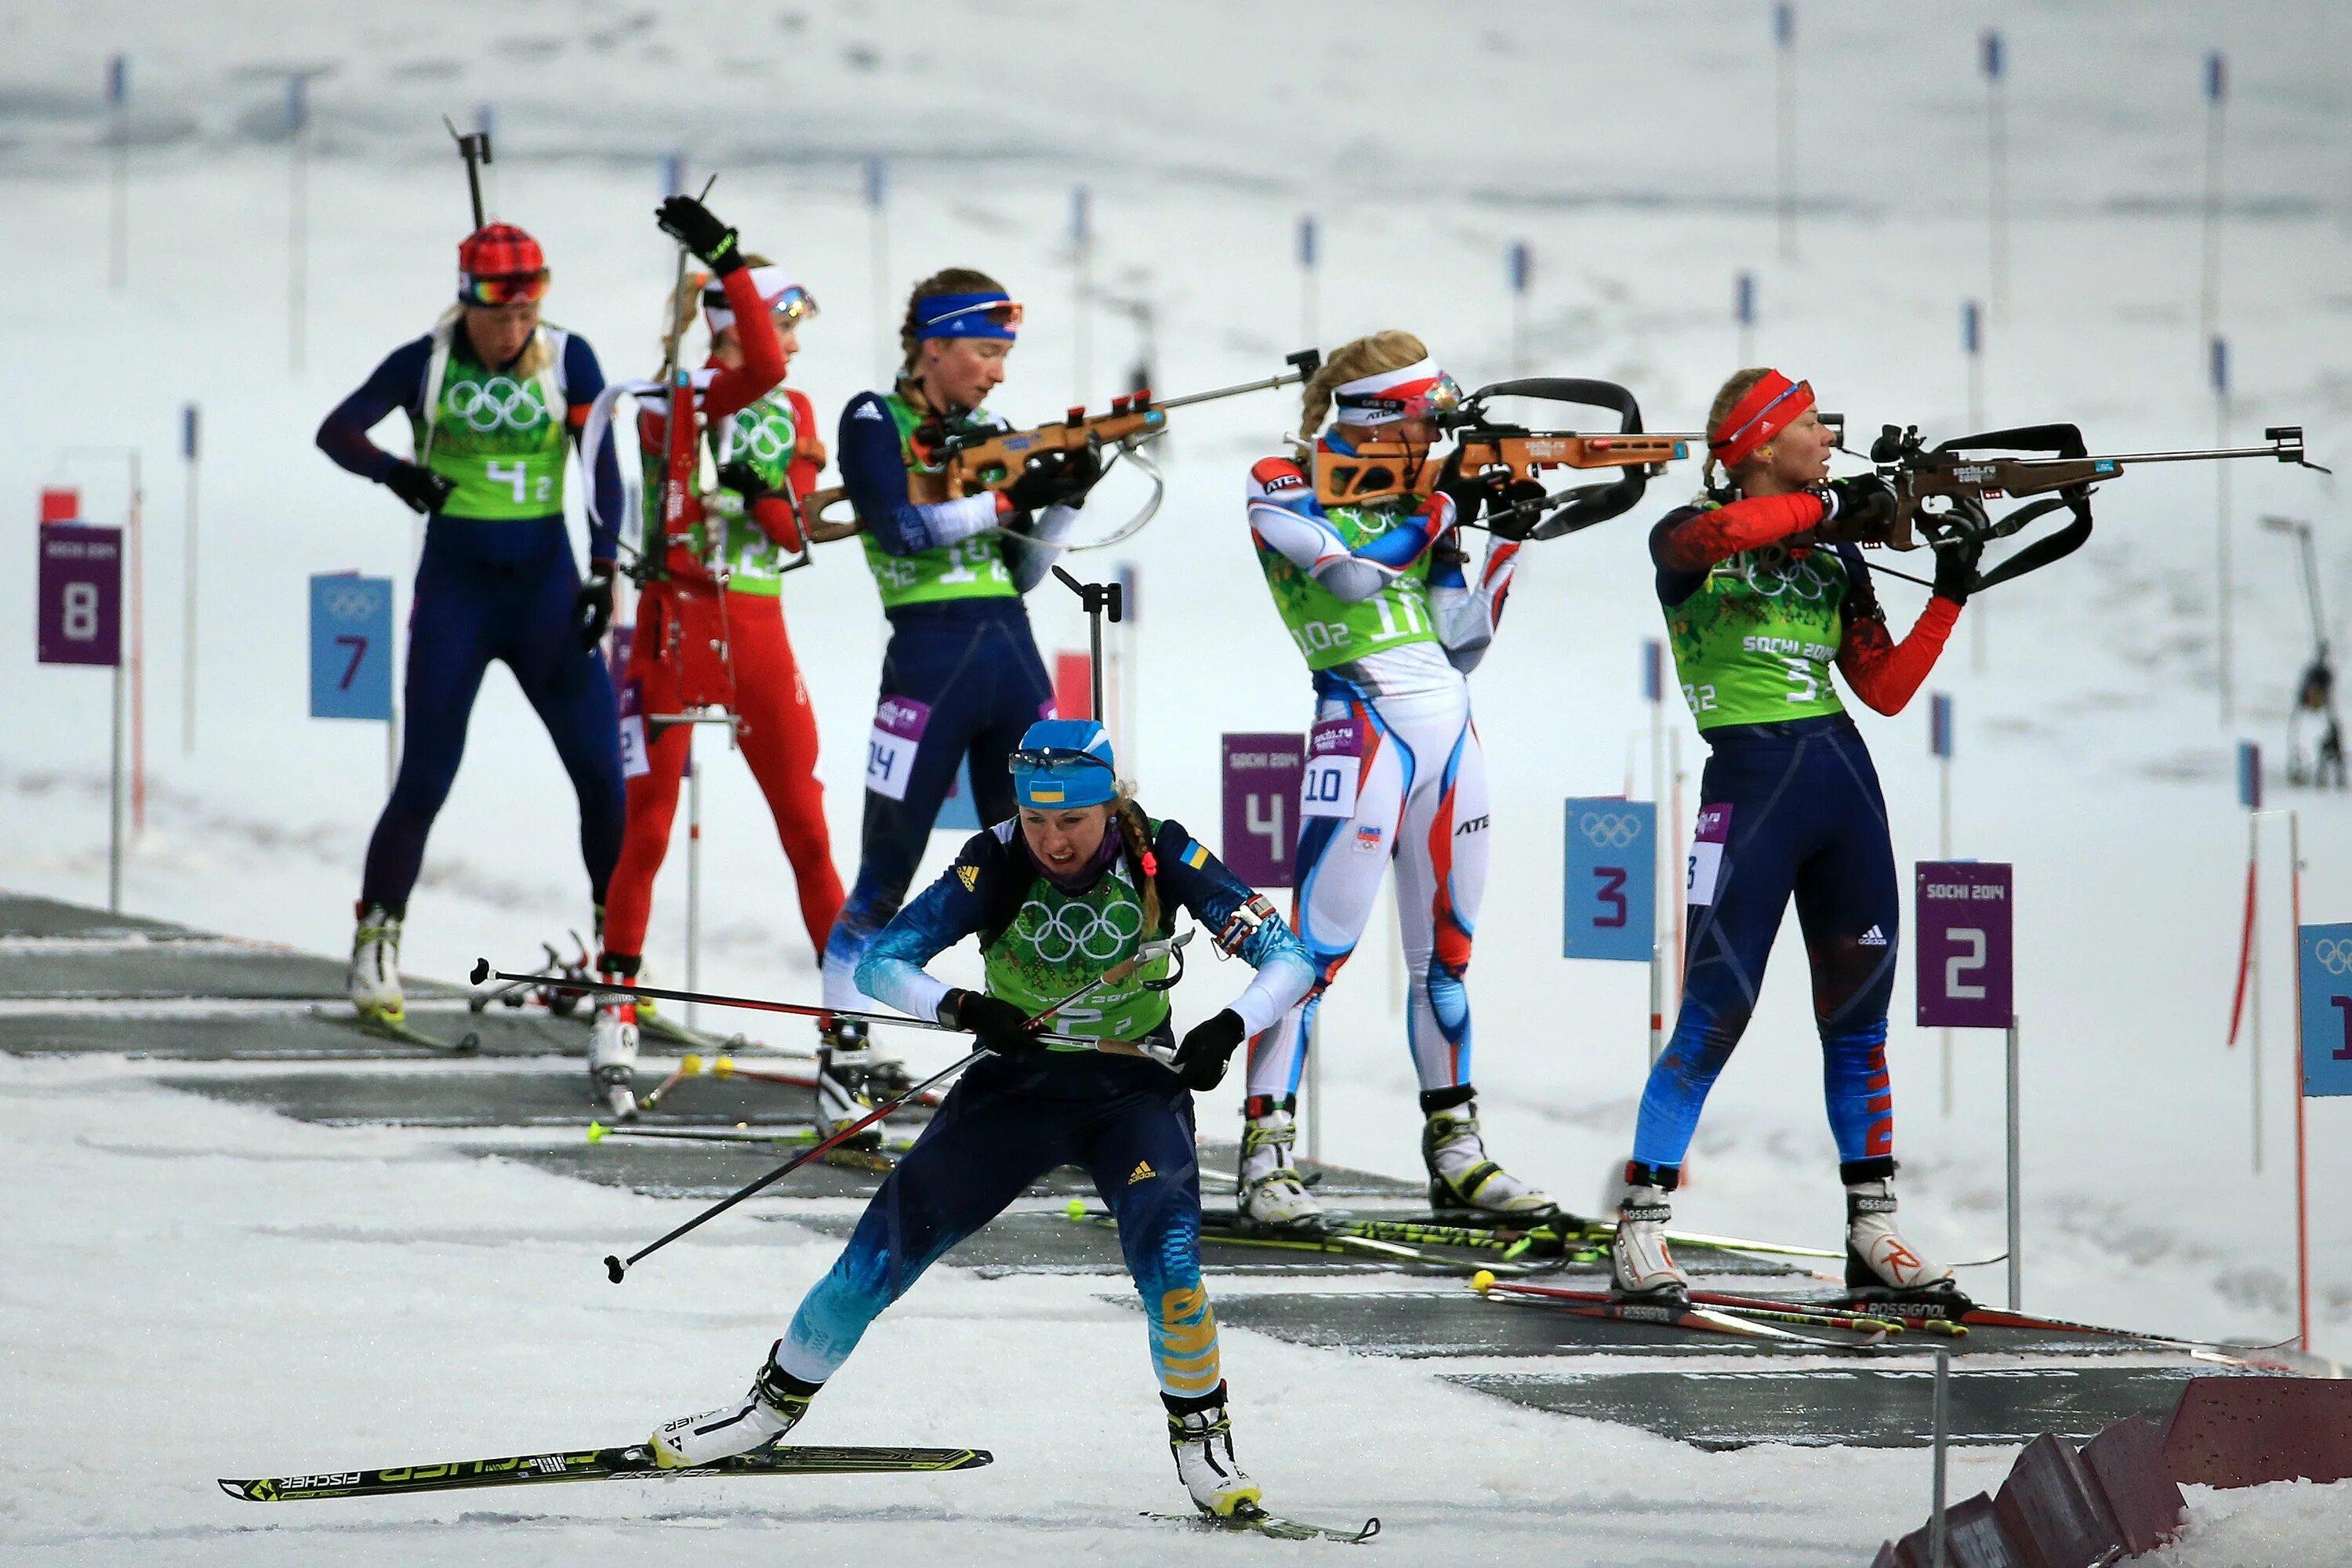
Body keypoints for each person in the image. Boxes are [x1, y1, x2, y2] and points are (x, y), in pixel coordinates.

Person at [650, 719, 1315, 1519]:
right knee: (875, 1257)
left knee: (1170, 1268)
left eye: (1071, 820)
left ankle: (1204, 1445)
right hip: (1014, 1090)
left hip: (1132, 1093)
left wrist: (1229, 1024)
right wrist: (960, 1004)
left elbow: (1292, 957)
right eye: (1038, 820)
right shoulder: (992, 859)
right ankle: (765, 1409)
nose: (1053, 841)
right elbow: (880, 961)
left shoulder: (1160, 850)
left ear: (1110, 804)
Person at [1610, 367, 1982, 1304]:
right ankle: (1642, 1225)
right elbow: (1732, 528)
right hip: (1748, 784)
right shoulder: (1684, 538)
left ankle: (1874, 1227)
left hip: (1841, 777)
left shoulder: (1838, 554)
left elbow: (1887, 689)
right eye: (1810, 420)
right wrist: (1827, 506)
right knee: (1712, 1013)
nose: (1828, 432)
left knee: (1858, 1022)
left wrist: (1951, 589)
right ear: (1761, 442)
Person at [1234, 332, 1554, 1228]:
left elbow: (1466, 639)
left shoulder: (1424, 495)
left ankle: (1456, 1151)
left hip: (1450, 728)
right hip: (1360, 727)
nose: (1438, 433)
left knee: (1446, 958)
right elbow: (1342, 579)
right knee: (1312, 955)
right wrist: (1440, 508)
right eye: (1426, 415)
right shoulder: (1281, 478)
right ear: (1380, 413)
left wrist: (1503, 542)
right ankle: (1264, 1152)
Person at [318, 216, 629, 1026]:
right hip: (457, 596)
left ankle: (617, 951)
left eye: (525, 316)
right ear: (467, 305)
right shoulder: (425, 360)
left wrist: (604, 569)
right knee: (426, 775)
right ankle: (377, 941)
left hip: (547, 597)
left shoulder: (567, 356)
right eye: (499, 318)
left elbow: (602, 466)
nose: (512, 333)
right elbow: (337, 430)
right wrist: (396, 473)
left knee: (602, 771)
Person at [813, 270, 1098, 1133]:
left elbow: (1020, 570)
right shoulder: (874, 417)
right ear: (932, 346)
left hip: (1011, 654)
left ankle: (1026, 1052)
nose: (997, 374)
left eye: (1006, 354)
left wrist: (1064, 500)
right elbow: (897, 526)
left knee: (1041, 870)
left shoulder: (993, 432)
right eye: (984, 352)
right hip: (928, 665)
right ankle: (842, 1052)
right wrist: (1009, 497)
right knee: (884, 871)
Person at [589, 205, 848, 1115]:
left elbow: (789, 531)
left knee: (806, 829)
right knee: (647, 825)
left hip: (757, 627)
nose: (794, 349)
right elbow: (751, 374)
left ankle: (844, 1029)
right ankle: (615, 1004)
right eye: (784, 323)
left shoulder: (797, 405)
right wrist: (727, 263)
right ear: (738, 321)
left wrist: (765, 494)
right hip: (674, 625)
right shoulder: (679, 399)